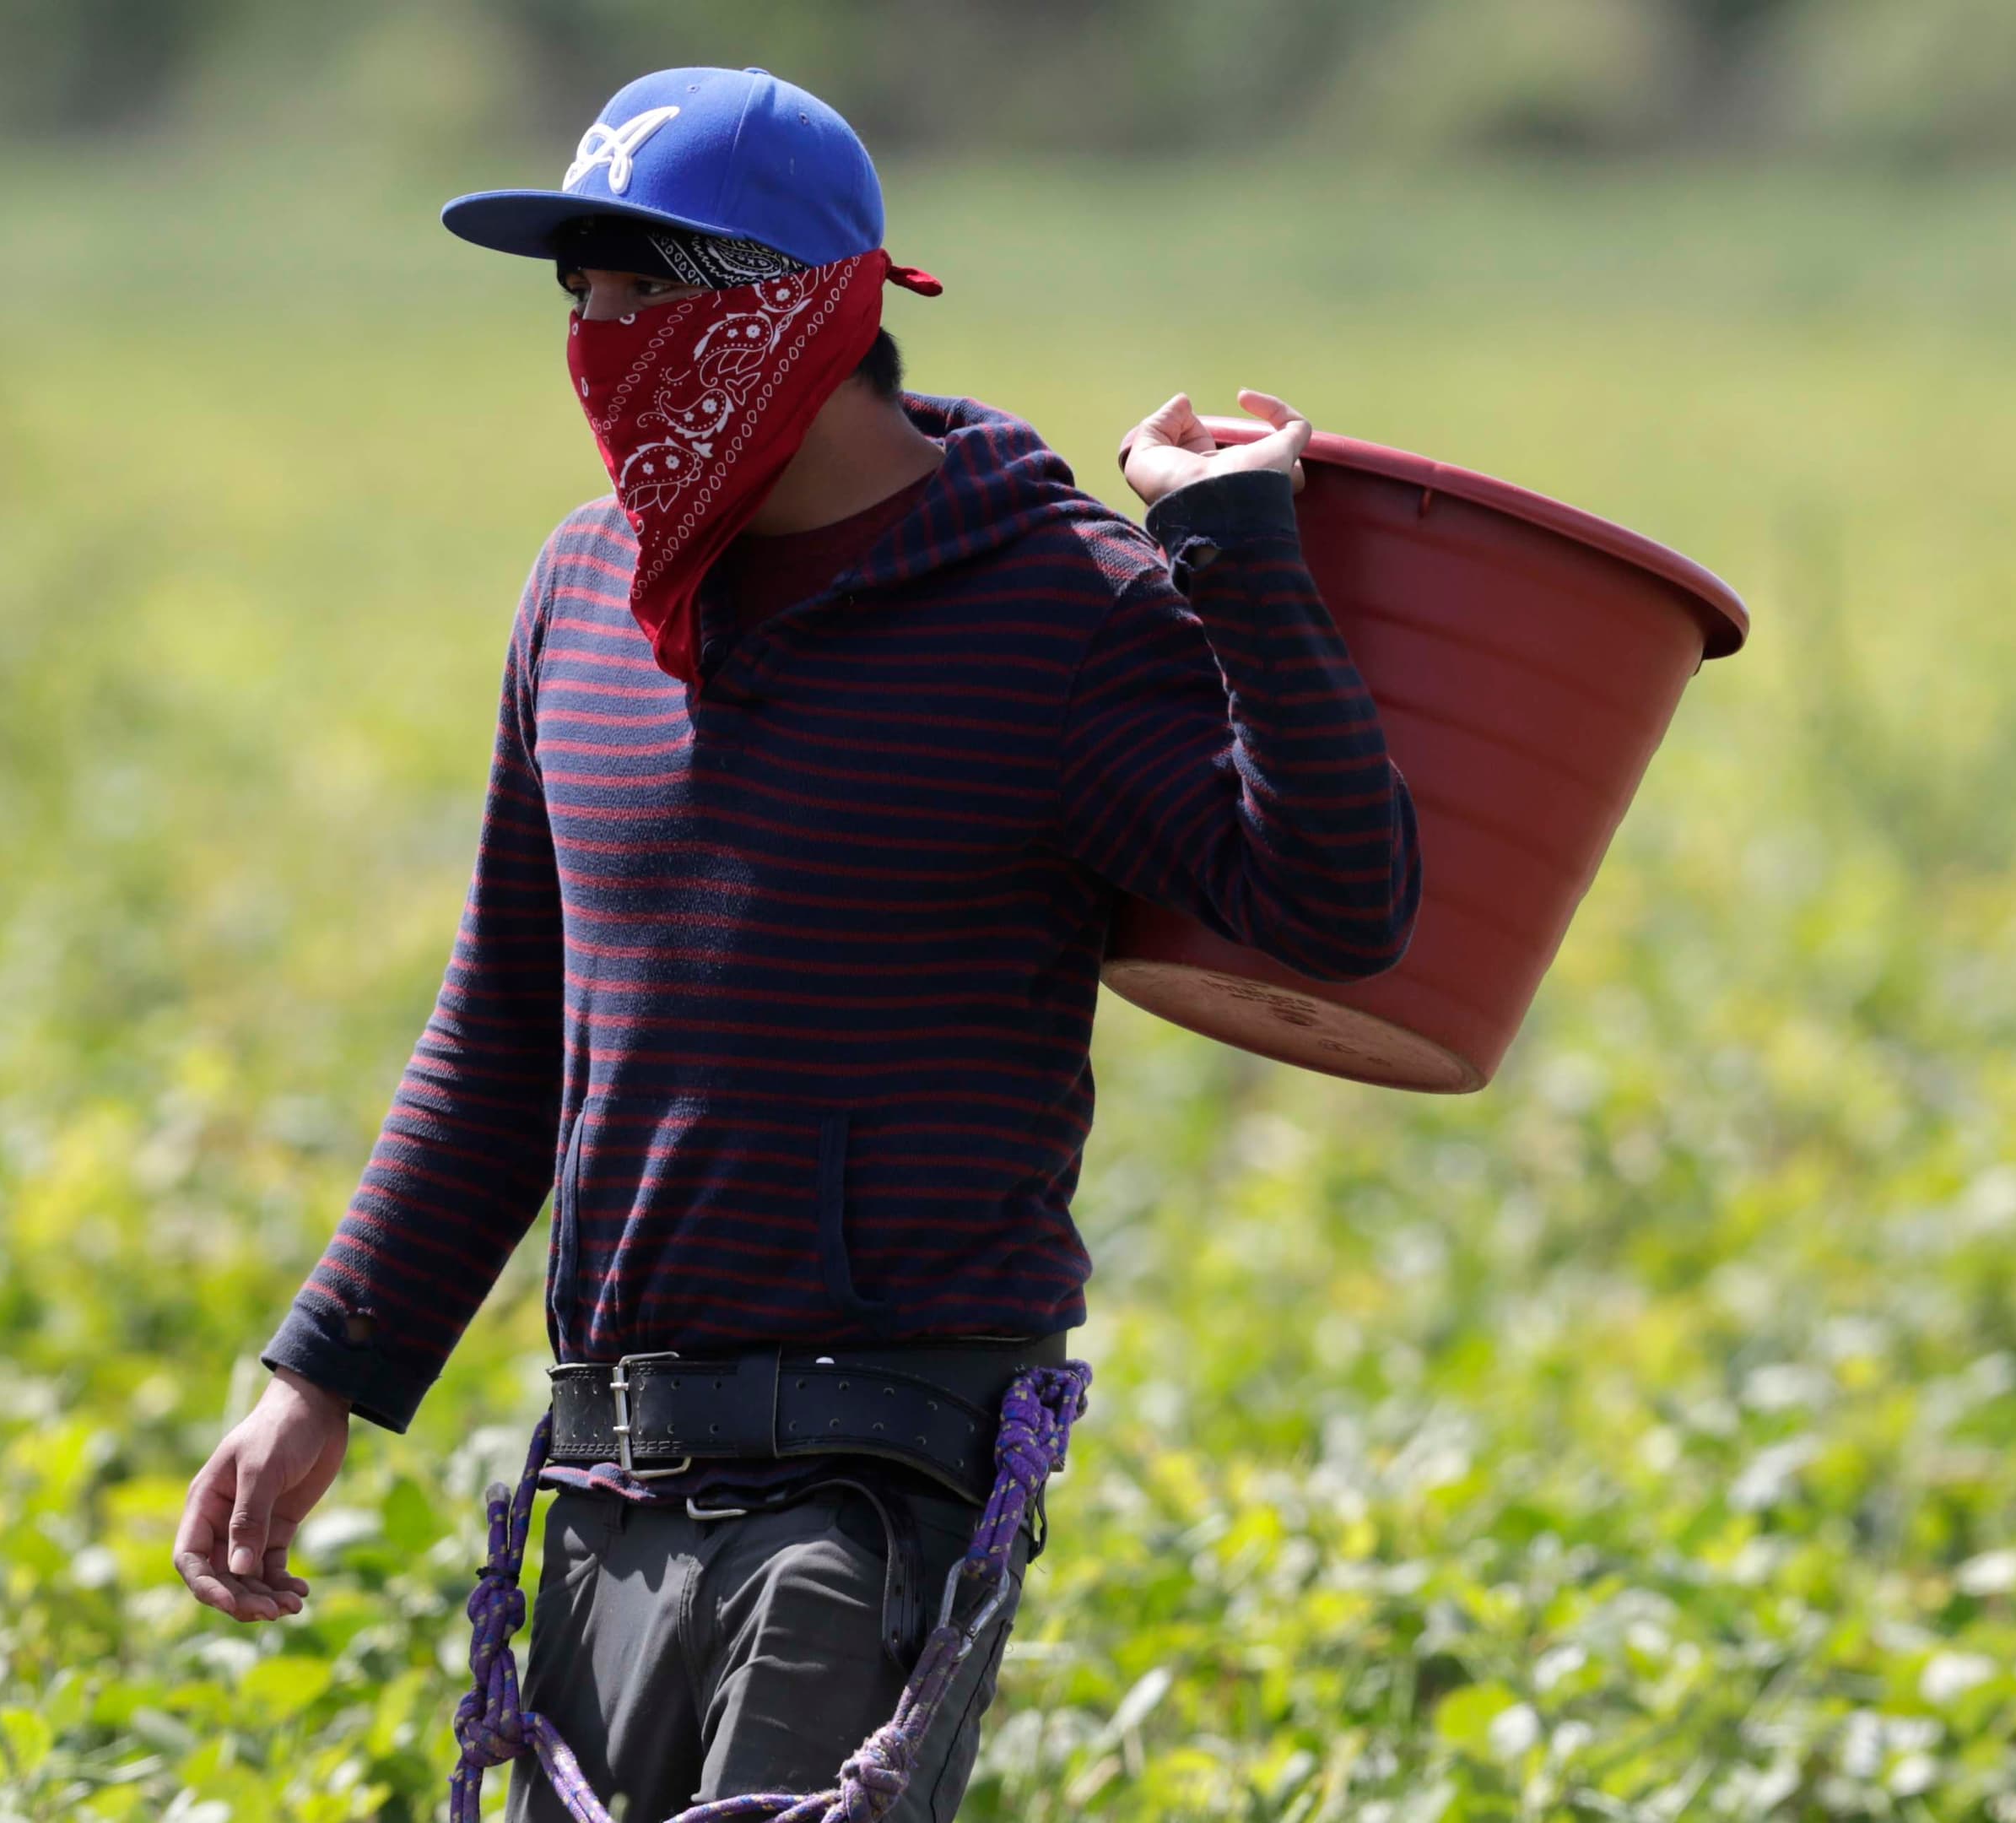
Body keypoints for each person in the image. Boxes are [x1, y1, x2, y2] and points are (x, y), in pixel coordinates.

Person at [171, 63, 1420, 1822]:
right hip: (610, 1474)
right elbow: (505, 1033)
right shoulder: (580, 599)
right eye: (576, 292)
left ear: (807, 313)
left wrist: (1232, 553)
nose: (600, 336)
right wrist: (322, 1376)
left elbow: (1336, 912)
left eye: (645, 286)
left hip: (877, 1476)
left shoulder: (1057, 611)